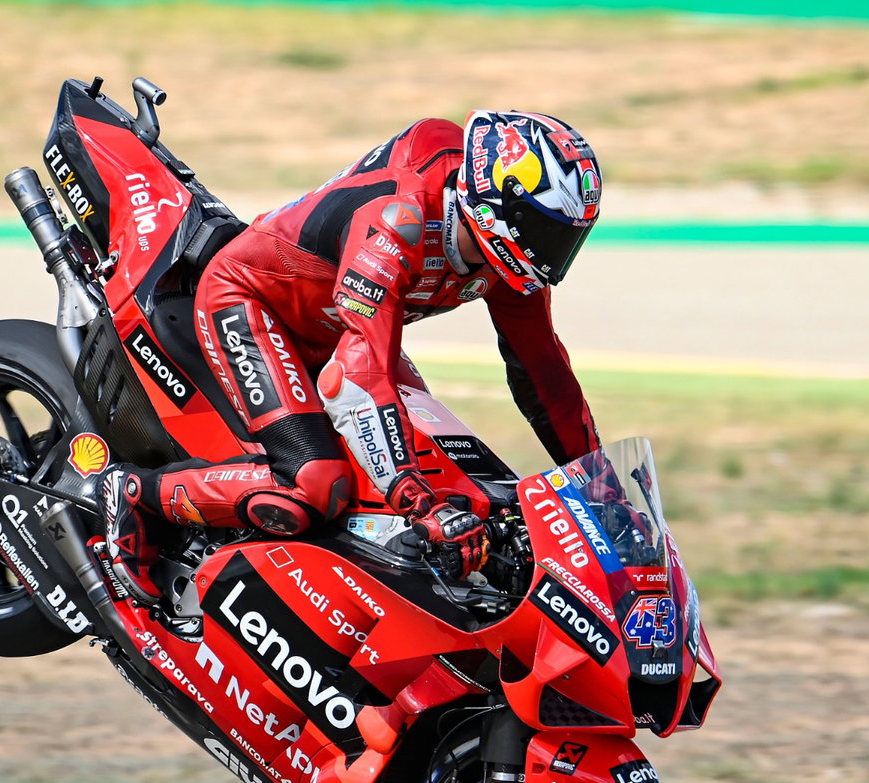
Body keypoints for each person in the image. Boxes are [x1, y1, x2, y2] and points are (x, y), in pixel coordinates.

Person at [102, 110, 604, 605]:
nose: (554, 255)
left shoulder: (512, 263)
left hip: (345, 325)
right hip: (253, 304)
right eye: (549, 232)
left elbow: (546, 376)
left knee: (459, 478)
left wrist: (600, 487)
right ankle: (134, 497)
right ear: (500, 207)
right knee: (318, 484)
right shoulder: (401, 221)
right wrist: (419, 502)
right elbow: (360, 382)